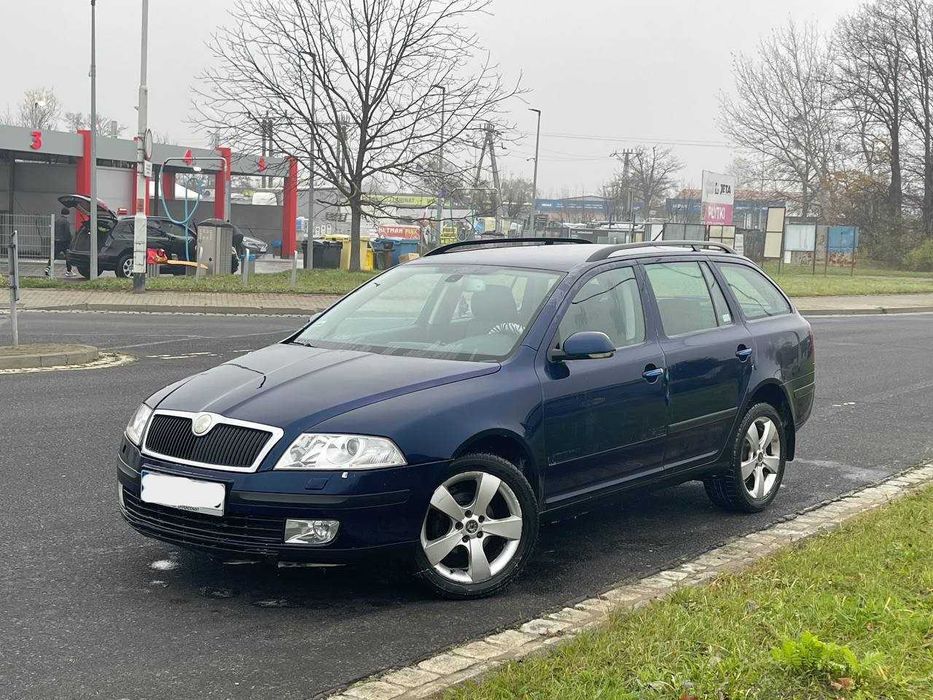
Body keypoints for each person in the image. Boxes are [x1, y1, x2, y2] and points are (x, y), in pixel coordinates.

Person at [48, 208, 74, 277]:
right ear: (67, 214)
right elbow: (67, 232)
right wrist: (71, 239)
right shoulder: (66, 222)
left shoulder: (57, 221)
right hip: (65, 242)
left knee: (53, 255)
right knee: (68, 256)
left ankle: (48, 268)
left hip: (57, 241)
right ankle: (69, 271)